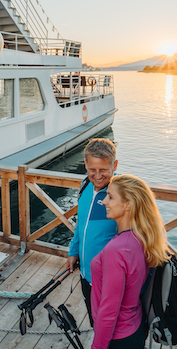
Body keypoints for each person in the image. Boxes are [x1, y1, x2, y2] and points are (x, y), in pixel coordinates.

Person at [90, 175, 172, 349]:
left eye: (111, 197)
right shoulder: (141, 238)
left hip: (118, 337)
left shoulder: (118, 250)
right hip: (135, 326)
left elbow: (109, 310)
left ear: (128, 204)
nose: (104, 201)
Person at [66, 138, 118, 326]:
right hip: (86, 274)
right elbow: (81, 224)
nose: (97, 176)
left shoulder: (122, 194)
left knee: (112, 326)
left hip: (110, 280)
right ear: (86, 164)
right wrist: (73, 251)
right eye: (92, 169)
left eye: (103, 169)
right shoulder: (85, 186)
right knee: (95, 321)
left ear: (115, 165)